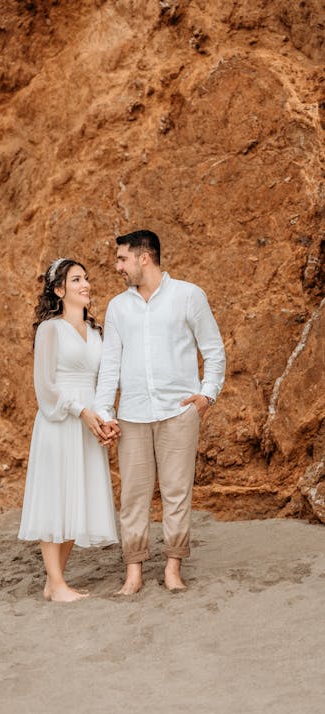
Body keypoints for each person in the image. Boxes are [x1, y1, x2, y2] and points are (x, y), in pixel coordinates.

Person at [94, 230, 225, 594]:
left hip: (178, 412)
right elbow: (110, 364)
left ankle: (172, 568)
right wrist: (105, 410)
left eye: (122, 259)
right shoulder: (119, 306)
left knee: (176, 492)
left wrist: (206, 396)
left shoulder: (189, 296)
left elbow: (213, 351)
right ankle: (133, 572)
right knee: (133, 496)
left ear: (144, 257)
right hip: (132, 415)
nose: (117, 266)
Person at [18, 258, 119, 602]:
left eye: (86, 279)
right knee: (55, 498)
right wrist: (81, 410)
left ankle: (54, 581)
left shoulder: (96, 333)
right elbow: (44, 386)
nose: (85, 284)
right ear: (59, 291)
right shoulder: (50, 330)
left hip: (89, 422)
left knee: (79, 497)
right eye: (76, 280)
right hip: (60, 422)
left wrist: (105, 416)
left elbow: (105, 380)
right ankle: (58, 584)